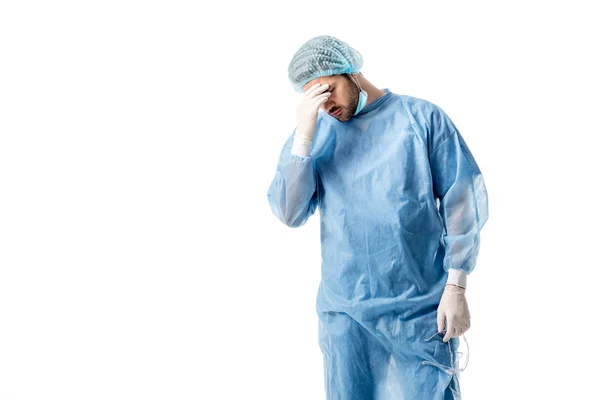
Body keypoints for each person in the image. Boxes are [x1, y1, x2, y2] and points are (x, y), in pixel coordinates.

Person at [267, 35, 488, 400]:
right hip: (346, 312)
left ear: (352, 71)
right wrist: (304, 136)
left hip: (419, 309)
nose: (327, 106)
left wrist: (456, 286)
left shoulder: (421, 119)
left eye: (330, 90)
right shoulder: (315, 135)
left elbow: (462, 202)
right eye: (315, 99)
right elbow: (290, 213)